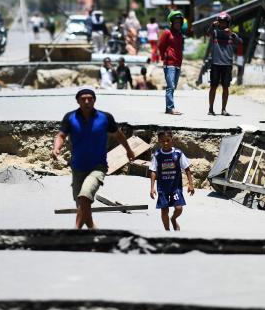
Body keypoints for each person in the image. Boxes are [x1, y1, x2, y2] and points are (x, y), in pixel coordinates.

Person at [52, 87, 135, 230]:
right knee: (83, 205)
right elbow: (60, 135)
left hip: (98, 167)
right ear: (77, 101)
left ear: (94, 100)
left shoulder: (105, 118)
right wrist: (56, 148)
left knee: (84, 196)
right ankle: (93, 231)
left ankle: (75, 232)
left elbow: (118, 134)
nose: (86, 101)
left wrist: (128, 150)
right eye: (83, 99)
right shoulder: (70, 118)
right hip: (77, 168)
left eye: (90, 98)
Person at [149, 130, 194, 231]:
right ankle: (167, 231)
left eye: (167, 140)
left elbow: (187, 169)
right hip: (162, 188)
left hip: (175, 187)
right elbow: (153, 171)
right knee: (164, 211)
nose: (165, 143)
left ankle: (173, 219)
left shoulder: (178, 153)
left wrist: (191, 184)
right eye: (162, 141)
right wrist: (152, 188)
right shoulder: (157, 155)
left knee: (179, 208)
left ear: (171, 140)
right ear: (159, 141)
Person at [207, 11, 242, 116]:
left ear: (228, 23)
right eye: (220, 22)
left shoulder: (231, 34)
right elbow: (208, 32)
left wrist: (231, 34)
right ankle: (211, 109)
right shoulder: (215, 33)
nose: (222, 24)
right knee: (213, 86)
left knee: (225, 87)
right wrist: (212, 25)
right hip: (215, 63)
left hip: (227, 64)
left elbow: (240, 42)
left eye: (224, 22)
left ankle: (223, 109)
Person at [158, 10, 185, 115]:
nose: (178, 24)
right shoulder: (167, 33)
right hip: (169, 63)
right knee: (171, 86)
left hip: (178, 64)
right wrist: (163, 56)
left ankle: (168, 108)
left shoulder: (180, 35)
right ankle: (170, 108)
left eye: (179, 22)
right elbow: (160, 46)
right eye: (176, 22)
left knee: (173, 86)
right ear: (172, 23)